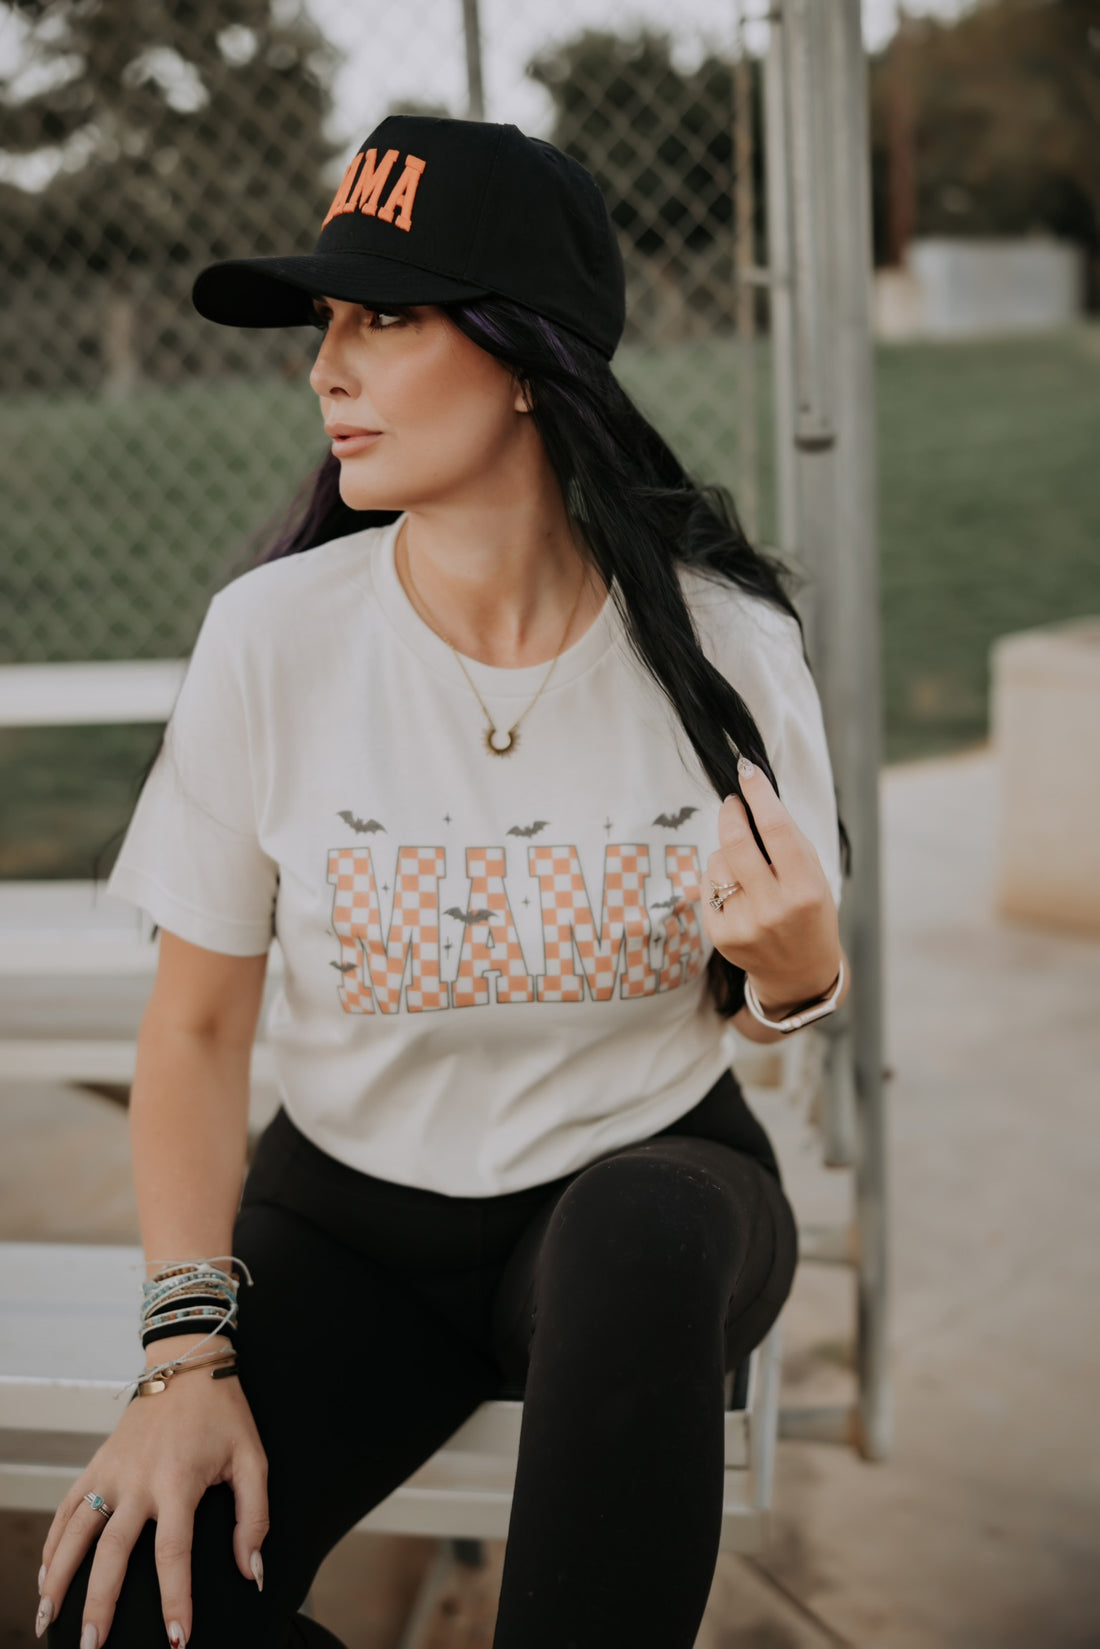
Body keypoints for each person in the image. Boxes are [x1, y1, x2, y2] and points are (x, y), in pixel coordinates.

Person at [37, 114, 851, 1649]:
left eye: (384, 318)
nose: (325, 368)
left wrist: (803, 969)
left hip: (649, 1184)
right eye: (328, 323)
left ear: (529, 355)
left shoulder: (723, 644)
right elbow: (197, 1032)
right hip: (348, 1220)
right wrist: (183, 1362)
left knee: (630, 1236)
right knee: (136, 1603)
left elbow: (783, 985)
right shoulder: (273, 638)